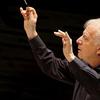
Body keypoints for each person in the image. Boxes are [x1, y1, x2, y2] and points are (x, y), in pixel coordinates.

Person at [20, 6, 100, 100]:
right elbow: (51, 64)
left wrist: (71, 57)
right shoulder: (83, 67)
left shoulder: (84, 73)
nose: (78, 40)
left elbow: (96, 85)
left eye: (85, 38)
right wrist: (31, 32)